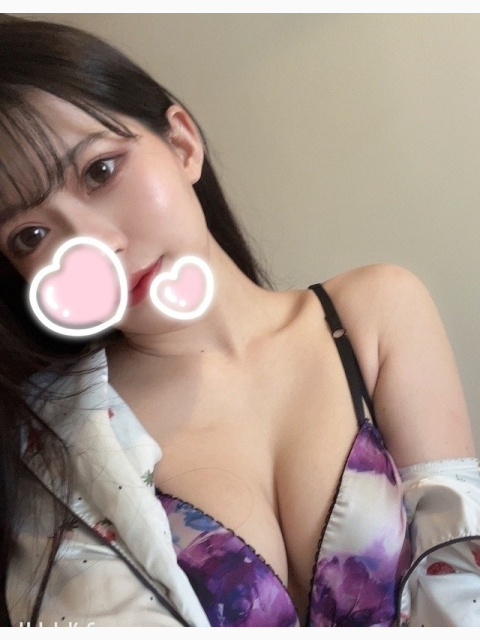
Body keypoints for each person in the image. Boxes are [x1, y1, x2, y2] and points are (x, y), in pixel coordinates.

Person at [0, 17, 479, 628]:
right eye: (31, 235)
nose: (97, 249)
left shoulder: (374, 316)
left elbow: (459, 586)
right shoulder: (51, 443)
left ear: (182, 144)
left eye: (100, 171)